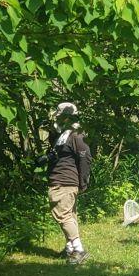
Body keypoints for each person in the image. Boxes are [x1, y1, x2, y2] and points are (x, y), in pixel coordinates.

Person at [44, 102, 92, 265]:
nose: (57, 119)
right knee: (69, 215)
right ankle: (70, 248)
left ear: (67, 117)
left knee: (63, 215)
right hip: (61, 179)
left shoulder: (75, 135)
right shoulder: (64, 134)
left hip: (64, 181)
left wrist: (83, 182)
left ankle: (78, 250)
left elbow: (85, 158)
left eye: (60, 116)